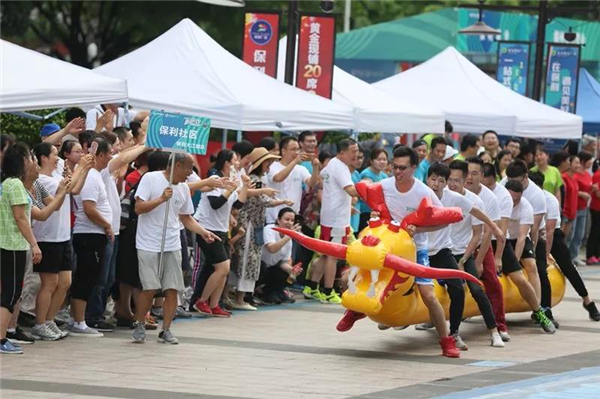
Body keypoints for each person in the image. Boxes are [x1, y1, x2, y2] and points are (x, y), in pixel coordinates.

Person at [337, 146, 461, 359]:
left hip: (416, 250)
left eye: (403, 168)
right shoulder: (384, 185)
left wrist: (419, 229)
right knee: (354, 276)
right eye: (395, 167)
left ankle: (446, 340)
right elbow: (363, 189)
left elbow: (444, 220)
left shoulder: (424, 191)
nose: (397, 172)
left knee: (429, 296)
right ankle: (355, 310)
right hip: (386, 247)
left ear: (414, 167)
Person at [131, 153, 220, 344]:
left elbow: (186, 217)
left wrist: (204, 232)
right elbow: (138, 208)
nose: (191, 173)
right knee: (150, 288)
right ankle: (139, 323)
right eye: (189, 168)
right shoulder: (150, 178)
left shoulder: (183, 189)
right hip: (148, 243)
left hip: (172, 243)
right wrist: (161, 199)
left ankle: (166, 330)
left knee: (172, 289)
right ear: (177, 165)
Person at [445, 161, 505, 347]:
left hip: (464, 252)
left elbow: (478, 235)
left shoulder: (475, 201)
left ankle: (494, 331)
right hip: (443, 251)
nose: (452, 184)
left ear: (465, 180)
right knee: (452, 291)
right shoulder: (441, 196)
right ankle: (452, 332)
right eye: (449, 180)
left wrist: (463, 259)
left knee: (477, 289)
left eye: (457, 180)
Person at [529, 171, 600, 322]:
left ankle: (588, 301)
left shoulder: (550, 200)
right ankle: (541, 309)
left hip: (552, 236)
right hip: (530, 234)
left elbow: (549, 231)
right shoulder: (523, 197)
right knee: (538, 271)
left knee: (568, 268)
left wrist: (546, 254)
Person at [231, 148, 292, 310]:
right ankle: (240, 297)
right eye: (268, 162)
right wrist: (281, 201)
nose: (270, 165)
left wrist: (279, 200)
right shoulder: (254, 179)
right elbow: (263, 199)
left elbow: (264, 199)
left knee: (251, 260)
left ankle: (244, 296)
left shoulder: (258, 178)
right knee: (247, 260)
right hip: (249, 224)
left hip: (255, 224)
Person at [191, 150, 249, 317]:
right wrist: (230, 189)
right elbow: (216, 203)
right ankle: (201, 301)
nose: (238, 163)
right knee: (222, 268)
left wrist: (245, 186)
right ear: (227, 163)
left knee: (223, 269)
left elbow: (237, 205)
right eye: (235, 160)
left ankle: (214, 304)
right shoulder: (215, 180)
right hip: (207, 229)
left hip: (222, 229)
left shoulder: (231, 181)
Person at [305, 139, 359, 304]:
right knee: (333, 256)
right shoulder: (341, 168)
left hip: (329, 217)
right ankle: (328, 291)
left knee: (325, 253)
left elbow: (319, 180)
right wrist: (371, 190)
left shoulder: (332, 164)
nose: (356, 154)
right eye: (353, 151)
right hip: (337, 220)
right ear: (342, 152)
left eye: (357, 150)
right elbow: (350, 190)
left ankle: (312, 287)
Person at [1, 143, 42, 354]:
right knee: (11, 294)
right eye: (29, 157)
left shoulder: (6, 183)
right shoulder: (15, 184)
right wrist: (34, 244)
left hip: (5, 244)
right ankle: (1, 340)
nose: (32, 161)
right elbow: (20, 217)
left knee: (8, 292)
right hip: (13, 245)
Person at [499, 179, 555, 333]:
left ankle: (538, 310)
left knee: (531, 267)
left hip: (519, 239)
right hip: (501, 239)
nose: (514, 202)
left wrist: (514, 262)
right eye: (511, 199)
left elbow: (523, 237)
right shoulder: (498, 202)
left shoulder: (526, 207)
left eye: (517, 199)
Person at [469, 159, 510, 341]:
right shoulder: (453, 192)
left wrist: (478, 261)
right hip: (456, 246)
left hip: (481, 246)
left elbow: (488, 233)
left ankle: (500, 325)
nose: (470, 177)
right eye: (467, 173)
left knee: (492, 281)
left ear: (483, 176)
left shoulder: (490, 198)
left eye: (475, 173)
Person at [265, 136, 319, 224]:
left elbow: (311, 183)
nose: (297, 152)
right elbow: (278, 178)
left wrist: (315, 167)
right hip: (274, 218)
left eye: (298, 149)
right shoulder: (273, 166)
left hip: (293, 218)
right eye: (293, 149)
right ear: (283, 151)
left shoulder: (300, 169)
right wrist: (294, 162)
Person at [261, 208, 303, 302]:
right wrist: (289, 236)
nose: (289, 223)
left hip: (272, 268)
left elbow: (283, 262)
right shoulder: (270, 229)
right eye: (286, 219)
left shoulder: (289, 239)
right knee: (262, 267)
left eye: (292, 221)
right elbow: (272, 249)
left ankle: (277, 292)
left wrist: (291, 270)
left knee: (287, 273)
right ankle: (261, 292)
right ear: (278, 220)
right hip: (261, 266)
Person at [569, 151, 593, 265]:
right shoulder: (575, 175)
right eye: (589, 161)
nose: (590, 163)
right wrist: (581, 194)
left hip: (584, 207)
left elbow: (588, 188)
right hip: (575, 207)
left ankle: (575, 255)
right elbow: (573, 190)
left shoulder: (587, 175)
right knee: (571, 234)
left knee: (580, 234)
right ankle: (568, 257)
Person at [358, 148, 388, 231]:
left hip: (378, 213)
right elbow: (369, 194)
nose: (382, 162)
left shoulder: (384, 176)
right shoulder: (366, 174)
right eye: (379, 159)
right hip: (365, 212)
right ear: (371, 161)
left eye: (384, 159)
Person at [559, 155, 579, 246]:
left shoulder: (575, 178)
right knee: (562, 238)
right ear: (569, 164)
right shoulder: (564, 177)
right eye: (576, 163)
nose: (578, 165)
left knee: (569, 238)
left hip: (573, 212)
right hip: (566, 212)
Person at [588, 167, 600, 265]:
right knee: (595, 232)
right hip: (596, 208)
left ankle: (597, 254)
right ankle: (591, 255)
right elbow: (598, 194)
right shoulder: (597, 175)